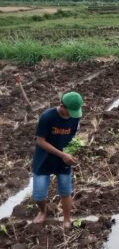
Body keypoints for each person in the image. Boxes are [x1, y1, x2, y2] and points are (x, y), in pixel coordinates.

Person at [32, 92, 83, 228]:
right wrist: (62, 154)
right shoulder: (47, 117)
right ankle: (43, 211)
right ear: (62, 106)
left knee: (65, 191)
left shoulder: (75, 117)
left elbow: (71, 138)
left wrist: (72, 152)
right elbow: (40, 141)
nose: (73, 115)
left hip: (63, 160)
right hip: (44, 158)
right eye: (70, 111)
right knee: (39, 193)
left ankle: (67, 218)